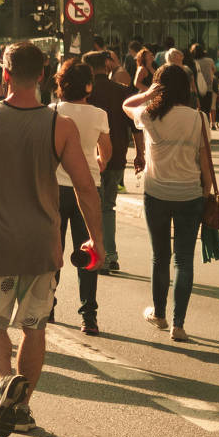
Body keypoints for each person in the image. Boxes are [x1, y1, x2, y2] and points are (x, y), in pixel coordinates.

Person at [0, 42, 107, 437]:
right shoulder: (60, 126)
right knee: (34, 328)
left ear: (3, 74)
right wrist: (97, 242)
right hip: (43, 245)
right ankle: (21, 407)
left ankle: (4, 381)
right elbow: (86, 189)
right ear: (41, 76)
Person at [125, 63, 219, 342]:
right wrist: (205, 195)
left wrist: (148, 92)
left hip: (156, 194)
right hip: (190, 194)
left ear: (160, 87)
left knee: (160, 257)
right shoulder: (198, 118)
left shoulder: (149, 115)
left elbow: (126, 105)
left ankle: (159, 314)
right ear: (187, 88)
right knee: (184, 260)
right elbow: (205, 163)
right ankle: (178, 324)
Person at [52, 59, 112, 334]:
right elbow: (106, 150)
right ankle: (89, 315)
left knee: (53, 250)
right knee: (88, 250)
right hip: (87, 186)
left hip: (56, 187)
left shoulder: (52, 111)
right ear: (88, 85)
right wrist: (98, 162)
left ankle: (47, 306)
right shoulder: (99, 114)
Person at [84, 50, 132, 273]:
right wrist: (140, 154)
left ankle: (95, 254)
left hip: (89, 157)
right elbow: (134, 127)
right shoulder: (121, 91)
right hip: (117, 156)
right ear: (106, 65)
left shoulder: (87, 93)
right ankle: (111, 255)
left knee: (89, 206)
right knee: (108, 207)